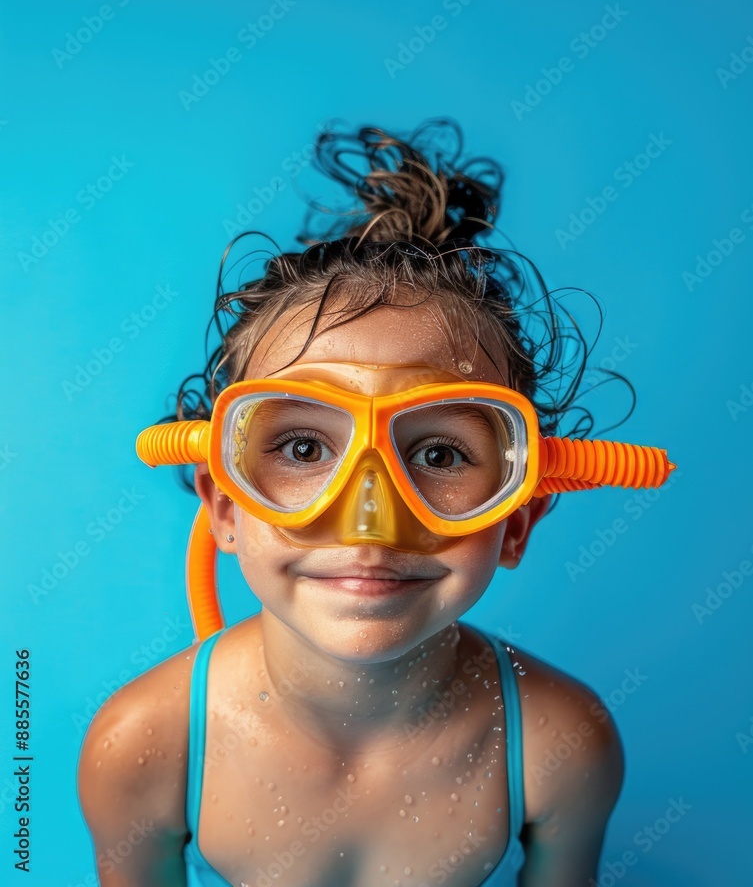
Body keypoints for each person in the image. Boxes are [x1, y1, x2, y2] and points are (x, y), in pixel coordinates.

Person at [77, 119, 670, 886]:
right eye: (301, 448)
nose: (369, 520)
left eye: (437, 454)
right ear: (224, 507)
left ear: (516, 519)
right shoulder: (142, 744)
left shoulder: (560, 742)